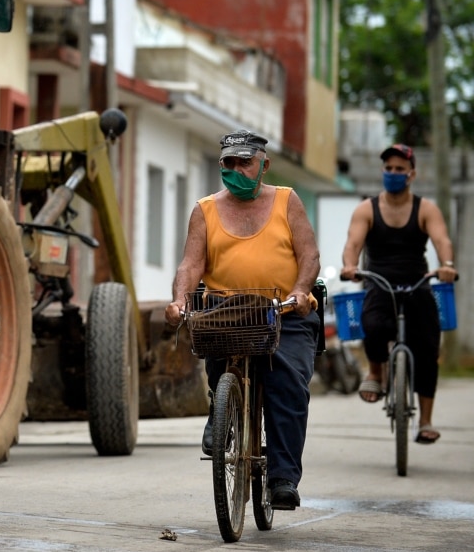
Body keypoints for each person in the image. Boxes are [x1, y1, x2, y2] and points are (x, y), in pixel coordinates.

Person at [166, 129, 320, 510]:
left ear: (264, 166)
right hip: (227, 311)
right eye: (228, 163)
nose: (236, 170)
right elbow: (190, 264)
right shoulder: (205, 209)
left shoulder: (287, 201)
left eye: (244, 163)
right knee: (216, 353)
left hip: (283, 312)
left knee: (287, 381)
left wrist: (301, 291)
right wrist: (178, 302)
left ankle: (283, 476)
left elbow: (309, 256)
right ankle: (221, 412)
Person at [339, 143, 456, 444]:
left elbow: (442, 240)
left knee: (428, 347)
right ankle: (376, 371)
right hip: (379, 282)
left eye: (399, 169)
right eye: (388, 168)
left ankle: (426, 421)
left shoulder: (425, 208)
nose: (392, 173)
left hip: (417, 282)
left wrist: (447, 265)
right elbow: (353, 244)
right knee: (374, 324)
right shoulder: (367, 209)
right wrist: (350, 266)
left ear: (411, 174)